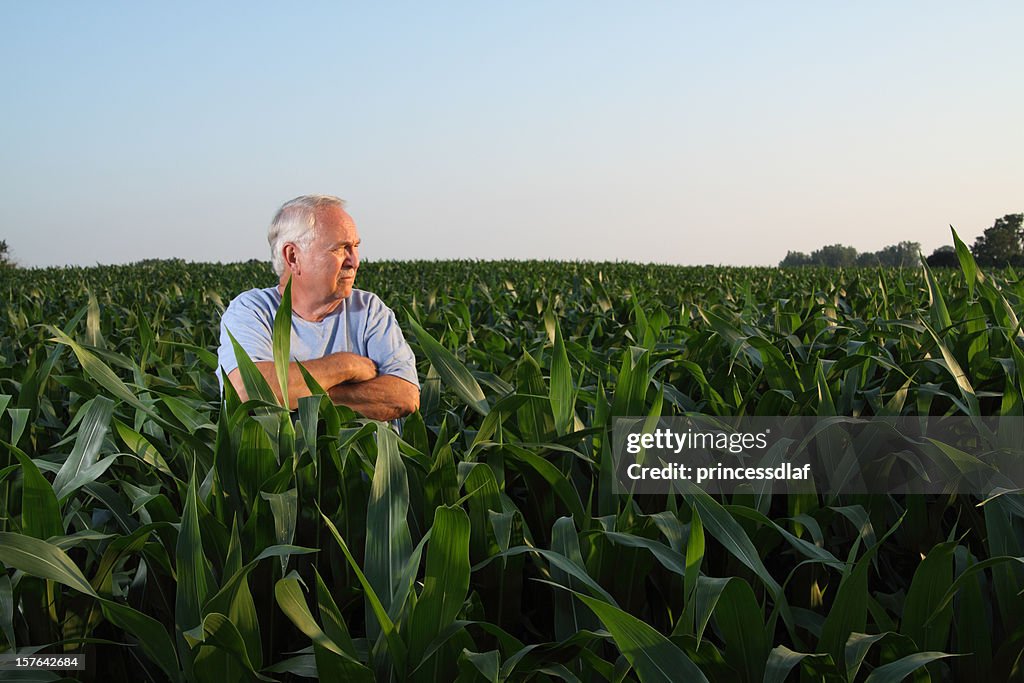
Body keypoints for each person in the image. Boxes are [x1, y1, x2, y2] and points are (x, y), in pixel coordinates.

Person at [217, 195, 420, 421]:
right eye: (340, 249)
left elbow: (404, 396)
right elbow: (247, 390)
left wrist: (295, 398)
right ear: (293, 257)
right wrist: (346, 365)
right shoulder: (252, 311)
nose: (354, 261)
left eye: (355, 247)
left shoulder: (369, 311)